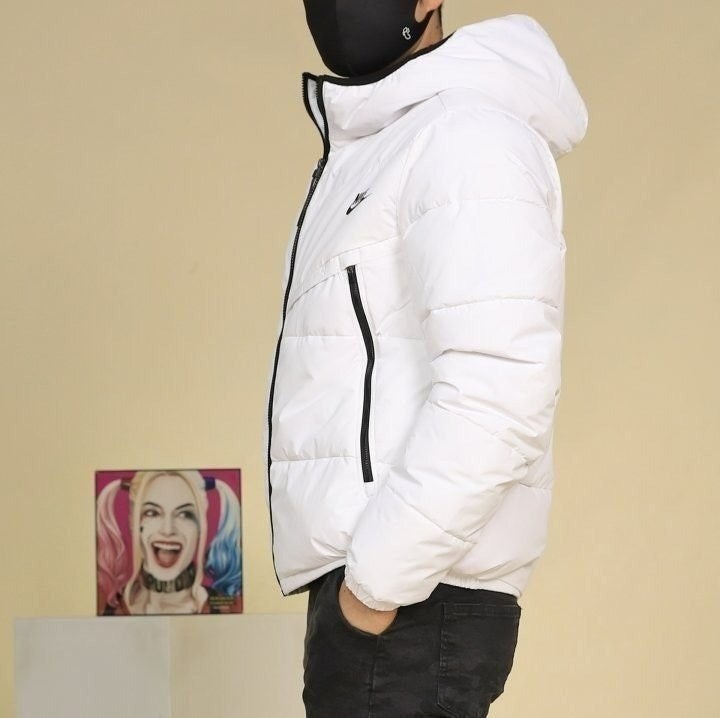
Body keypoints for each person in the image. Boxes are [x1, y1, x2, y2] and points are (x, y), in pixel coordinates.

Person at [263, 1, 588, 715]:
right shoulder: (387, 146)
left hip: (409, 605)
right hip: (388, 600)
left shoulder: (465, 134)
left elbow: (500, 388)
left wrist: (373, 589)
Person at [96, 470, 242, 615]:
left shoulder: (229, 608)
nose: (168, 530)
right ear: (133, 523)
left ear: (201, 527)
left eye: (184, 514)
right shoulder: (106, 608)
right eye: (152, 513)